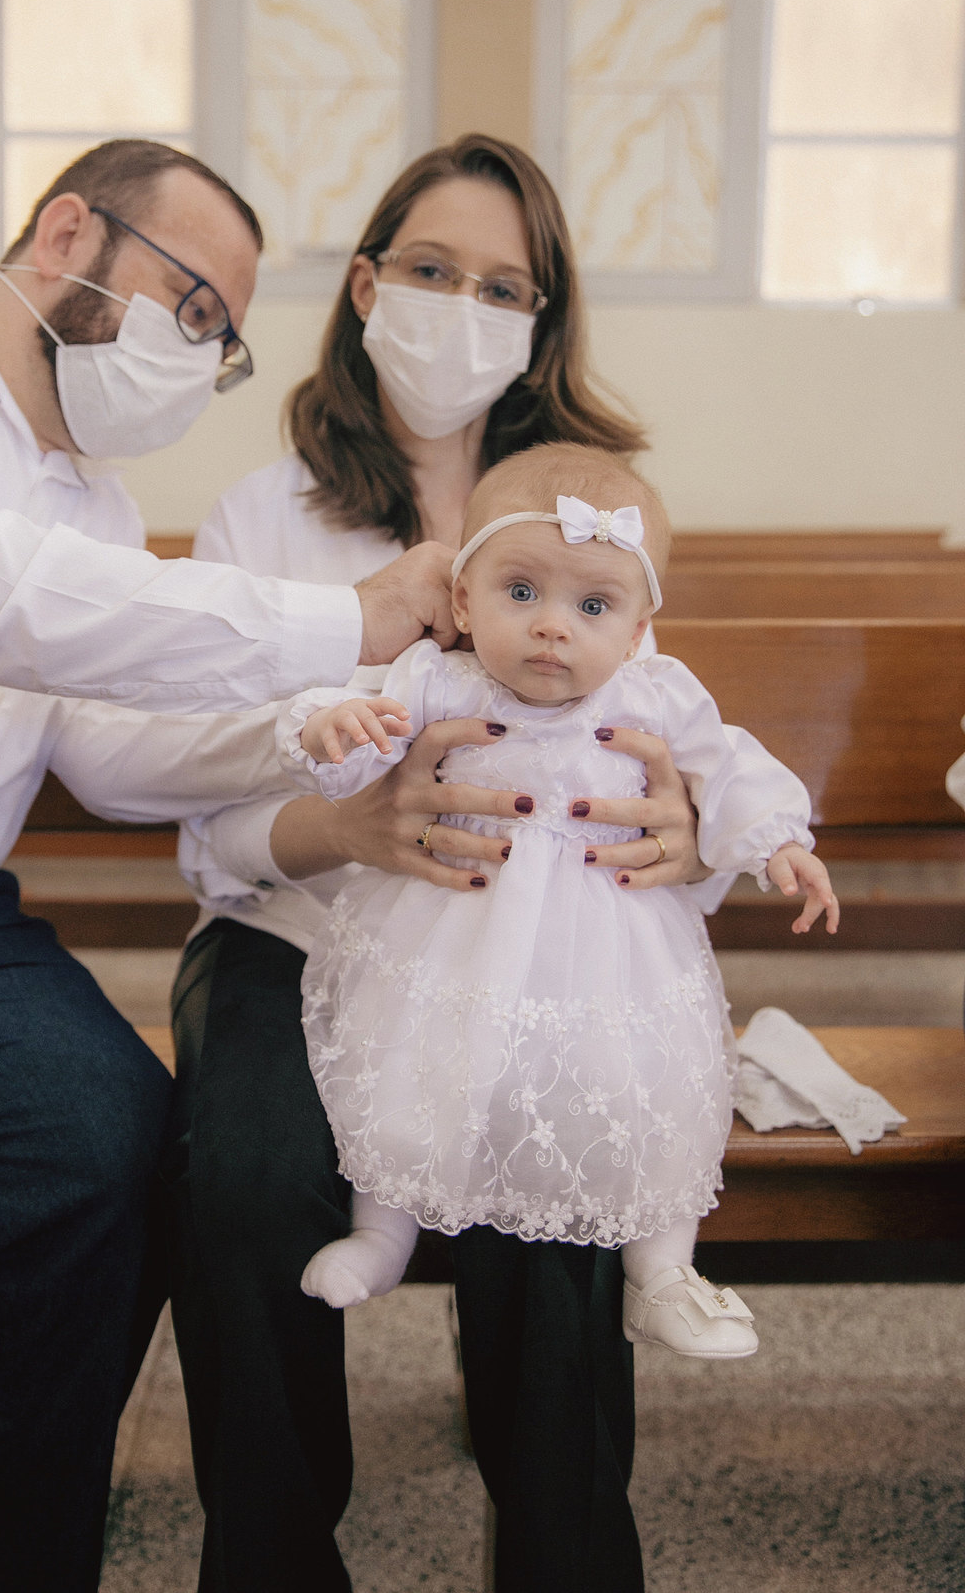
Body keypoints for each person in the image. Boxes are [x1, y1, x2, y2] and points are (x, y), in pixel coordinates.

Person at [0, 137, 459, 1593]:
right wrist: (342, 620)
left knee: (117, 1156)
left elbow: (116, 754)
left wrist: (323, 724)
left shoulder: (82, 502)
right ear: (69, 228)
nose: (196, 353)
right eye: (189, 300)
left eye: (221, 336)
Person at [167, 136, 720, 1592]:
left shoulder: (593, 513)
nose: (463, 304)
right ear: (365, 286)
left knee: (555, 1180)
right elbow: (205, 820)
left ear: (541, 320)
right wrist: (342, 825)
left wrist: (691, 836)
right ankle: (276, 1561)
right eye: (431, 270)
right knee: (248, 1177)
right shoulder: (265, 519)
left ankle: (567, 1557)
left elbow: (661, 750)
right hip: (300, 925)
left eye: (504, 285)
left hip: (539, 940)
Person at [288, 441, 838, 1358]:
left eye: (592, 605)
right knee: (412, 1072)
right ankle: (384, 1235)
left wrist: (779, 841)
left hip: (610, 958)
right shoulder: (435, 679)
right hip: (453, 940)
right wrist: (333, 727)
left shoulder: (655, 695)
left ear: (635, 631)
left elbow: (731, 766)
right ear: (462, 599)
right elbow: (355, 747)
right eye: (521, 593)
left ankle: (661, 1270)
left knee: (642, 1096)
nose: (553, 627)